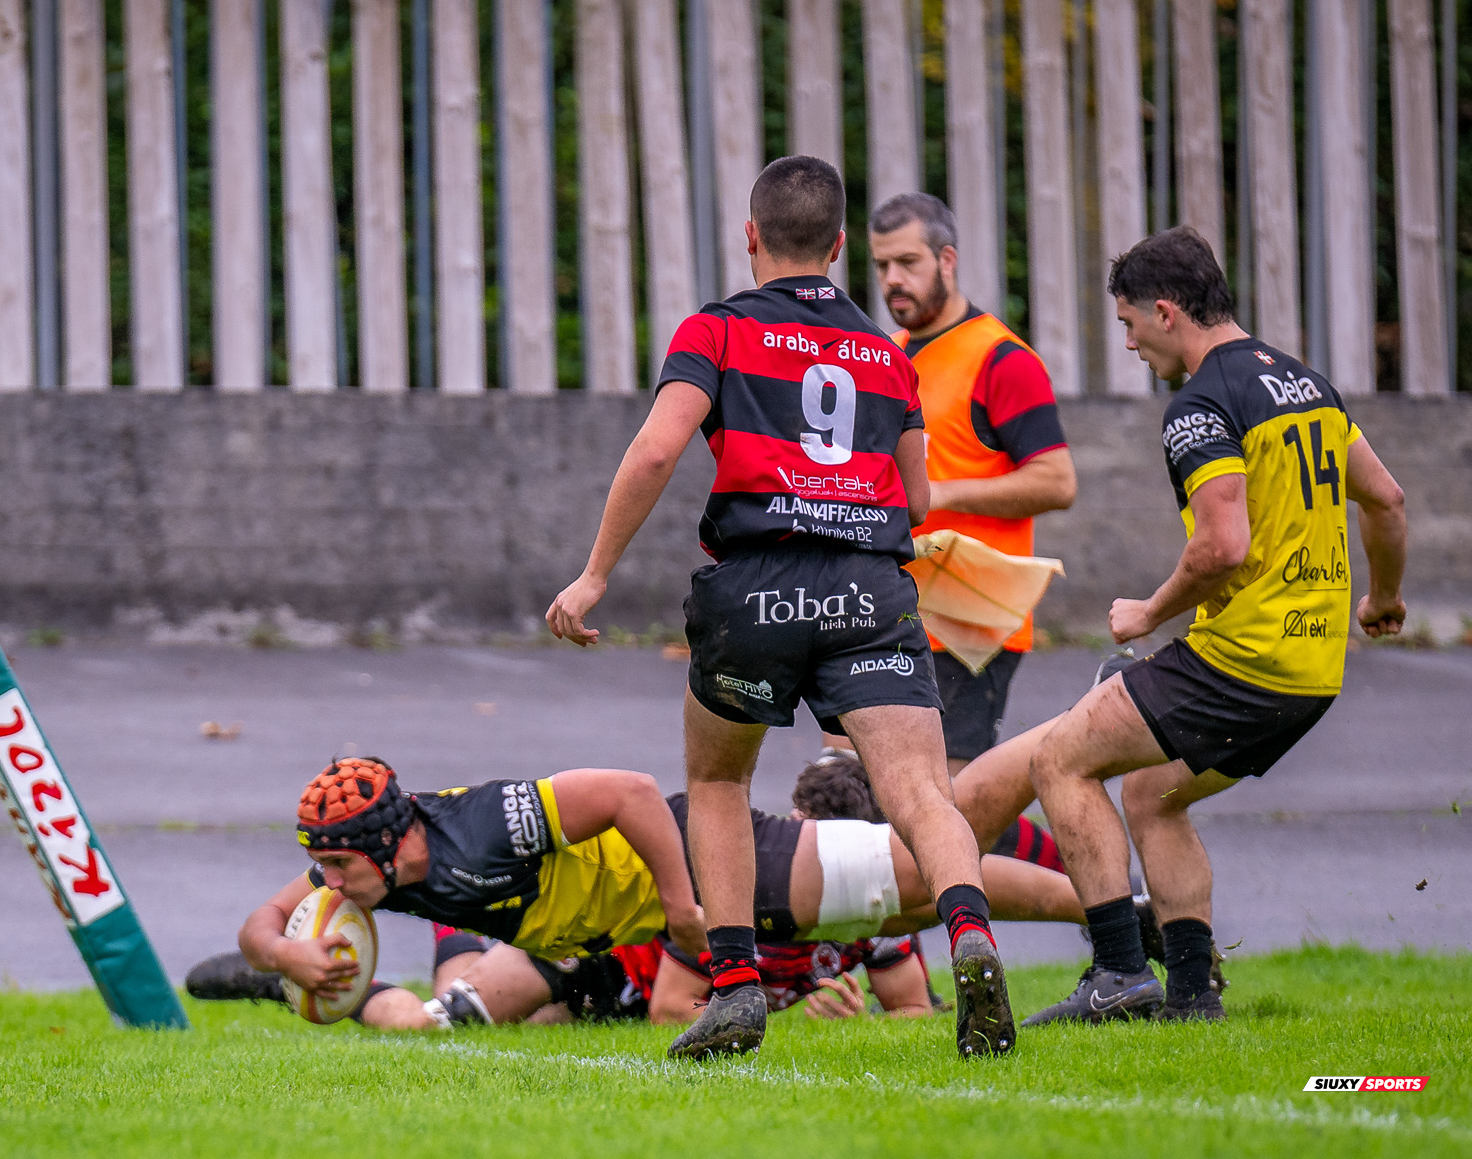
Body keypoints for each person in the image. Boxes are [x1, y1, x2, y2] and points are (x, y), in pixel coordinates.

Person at [546, 156, 1013, 1061]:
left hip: (757, 585)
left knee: (720, 783)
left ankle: (732, 991)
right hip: (870, 585)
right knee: (919, 790)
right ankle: (971, 938)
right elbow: (917, 500)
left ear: (750, 237)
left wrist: (595, 573)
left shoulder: (715, 330)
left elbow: (654, 454)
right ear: (841, 247)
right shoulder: (886, 354)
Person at [1020, 226, 1408, 1025]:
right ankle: (1193, 998)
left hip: (1243, 660)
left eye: (1129, 324)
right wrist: (1383, 600)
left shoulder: (1199, 406)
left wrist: (1147, 612)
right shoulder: (1307, 384)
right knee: (1155, 795)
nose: (1128, 343)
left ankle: (1120, 974)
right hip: (1313, 671)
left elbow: (1223, 546)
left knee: (1060, 760)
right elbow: (1387, 500)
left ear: (1167, 313)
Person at [226, 755, 1083, 1034]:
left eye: (337, 868)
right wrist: (285, 954)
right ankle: (280, 989)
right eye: (325, 871)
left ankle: (1111, 918)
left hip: (702, 863)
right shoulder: (371, 867)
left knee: (907, 882)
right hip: (579, 937)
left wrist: (681, 902)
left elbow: (634, 793)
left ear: (389, 841)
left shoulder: (492, 823)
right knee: (429, 1027)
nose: (329, 886)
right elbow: (259, 918)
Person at [821, 194, 1074, 792]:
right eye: (882, 265)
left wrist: (936, 493)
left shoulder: (1002, 360)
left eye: (907, 262)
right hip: (889, 609)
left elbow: (1058, 481)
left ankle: (1068, 880)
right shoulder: (890, 356)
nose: (892, 280)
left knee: (947, 808)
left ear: (948, 259)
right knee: (855, 789)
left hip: (972, 622)